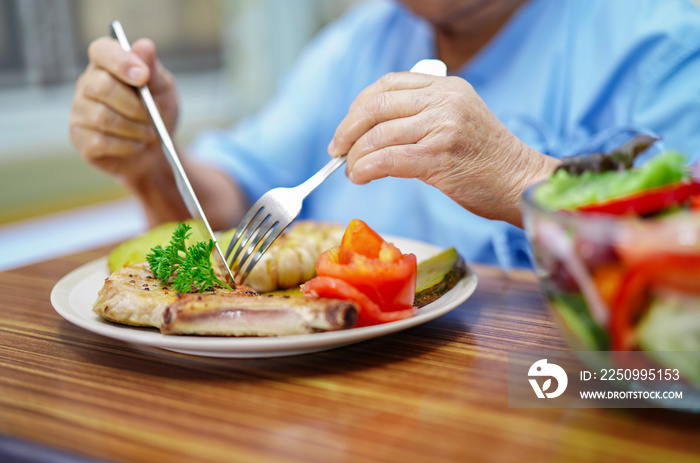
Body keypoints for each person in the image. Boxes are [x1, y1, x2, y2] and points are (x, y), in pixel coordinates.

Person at [69, 0, 700, 270]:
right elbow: (231, 202)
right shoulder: (359, 41)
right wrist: (152, 160)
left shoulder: (663, 37)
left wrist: (520, 177)